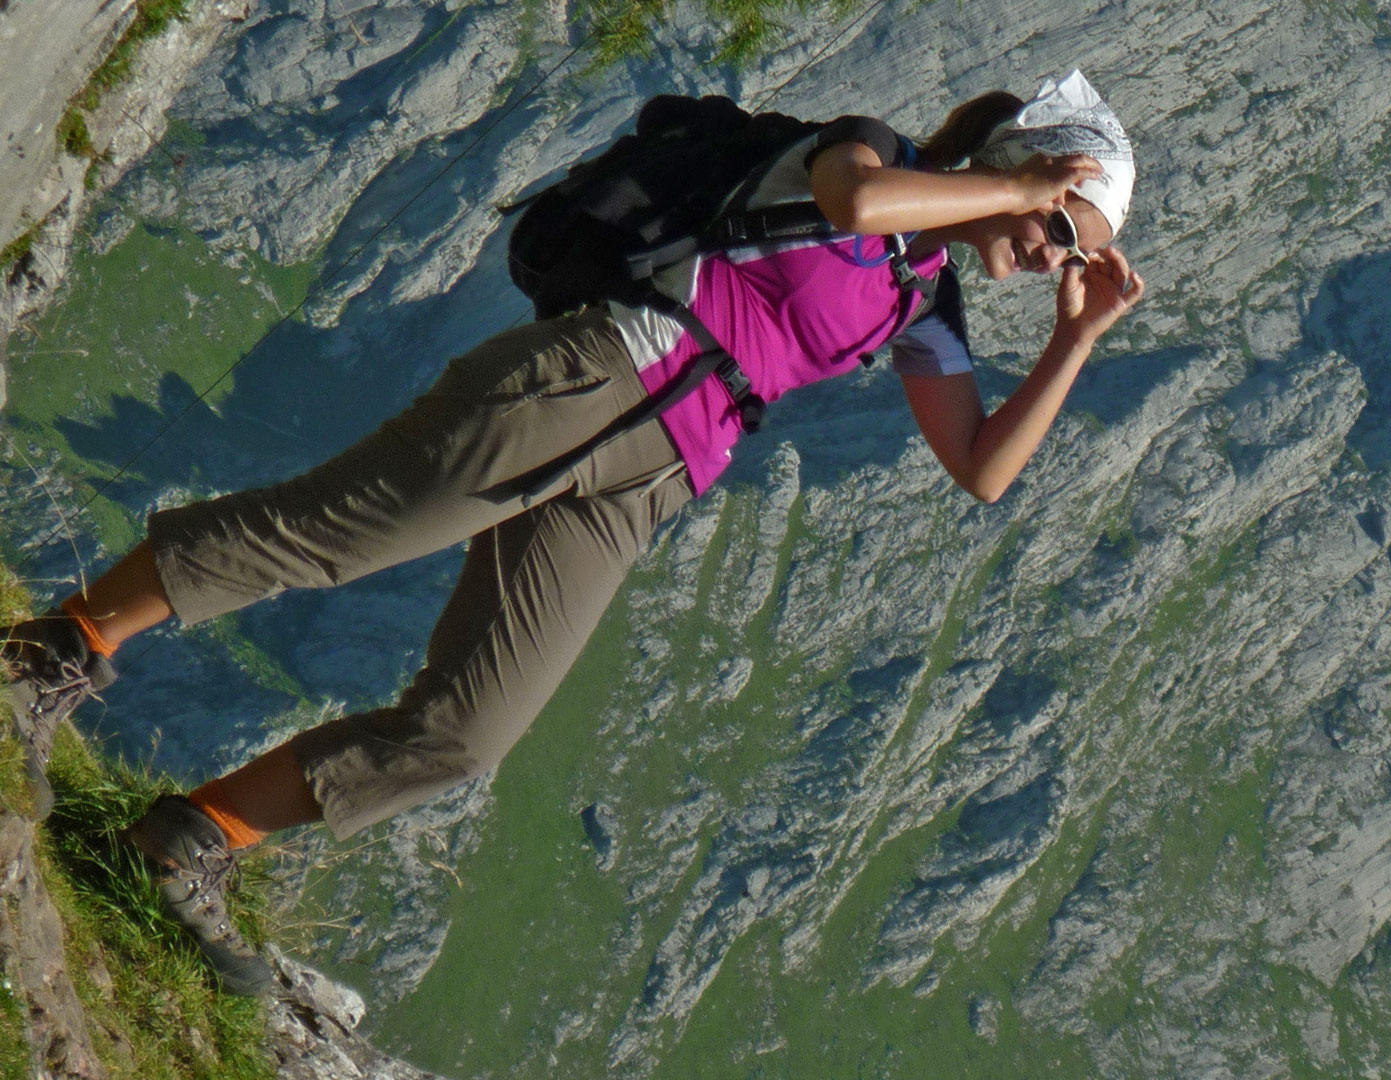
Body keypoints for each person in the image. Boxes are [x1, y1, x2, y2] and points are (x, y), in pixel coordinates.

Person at [1, 71, 1144, 996]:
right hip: (591, 377)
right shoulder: (860, 146)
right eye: (1058, 227)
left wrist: (1075, 337)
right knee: (332, 535)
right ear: (1019, 159)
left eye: (1070, 247)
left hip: (651, 476)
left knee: (467, 730)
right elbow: (858, 203)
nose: (1051, 255)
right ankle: (55, 653)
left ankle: (185, 842)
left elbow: (982, 470)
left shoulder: (921, 300)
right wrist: (1014, 191)